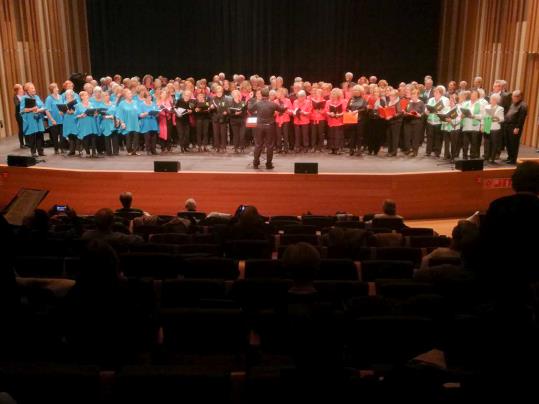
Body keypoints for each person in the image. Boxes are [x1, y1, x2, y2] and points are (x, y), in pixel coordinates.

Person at [247, 87, 287, 169]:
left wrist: (250, 99)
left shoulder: (258, 104)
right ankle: (268, 164)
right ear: (268, 95)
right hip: (269, 126)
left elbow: (250, 109)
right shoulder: (272, 104)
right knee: (270, 145)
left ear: (261, 95)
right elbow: (282, 110)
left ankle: (256, 163)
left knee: (258, 145)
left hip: (259, 126)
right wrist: (282, 103)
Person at [20, 82, 47, 157]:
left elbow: (43, 106)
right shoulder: (24, 98)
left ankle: (40, 151)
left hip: (38, 118)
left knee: (40, 135)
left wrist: (39, 110)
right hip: (31, 119)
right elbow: (22, 110)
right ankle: (33, 152)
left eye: (34, 88)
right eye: (32, 88)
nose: (34, 89)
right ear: (27, 90)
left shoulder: (37, 97)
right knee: (32, 136)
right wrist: (32, 109)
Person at [503, 90, 528, 165]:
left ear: (519, 97)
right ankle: (509, 157)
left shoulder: (523, 105)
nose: (512, 97)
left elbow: (521, 118)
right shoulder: (513, 103)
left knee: (513, 143)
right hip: (507, 125)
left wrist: (517, 128)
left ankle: (513, 159)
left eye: (513, 96)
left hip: (514, 127)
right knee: (508, 143)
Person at [425, 85, 449, 157]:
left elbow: (446, 110)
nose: (435, 93)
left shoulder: (445, 100)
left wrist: (439, 111)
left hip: (438, 121)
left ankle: (437, 152)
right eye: (434, 92)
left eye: (437, 92)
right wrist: (426, 111)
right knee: (429, 137)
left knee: (438, 137)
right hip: (430, 121)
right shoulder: (431, 99)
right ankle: (428, 151)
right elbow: (427, 108)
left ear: (441, 93)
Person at [116, 89, 141, 156]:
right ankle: (129, 150)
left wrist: (141, 116)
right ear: (125, 95)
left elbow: (138, 112)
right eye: (129, 93)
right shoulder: (122, 103)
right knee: (128, 137)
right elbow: (119, 114)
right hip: (127, 122)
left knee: (136, 137)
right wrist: (122, 123)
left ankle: (135, 151)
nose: (131, 94)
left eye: (131, 93)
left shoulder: (135, 102)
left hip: (135, 123)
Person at [481, 93, 504, 163]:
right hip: (487, 126)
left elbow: (502, 119)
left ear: (497, 100)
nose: (492, 100)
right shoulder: (486, 107)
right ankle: (486, 156)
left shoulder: (500, 108)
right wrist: (482, 125)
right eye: (491, 99)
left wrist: (495, 118)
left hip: (495, 128)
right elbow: (483, 117)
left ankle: (492, 158)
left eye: (494, 99)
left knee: (494, 143)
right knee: (486, 143)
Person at [74, 91, 98, 157]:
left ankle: (94, 152)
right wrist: (81, 115)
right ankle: (87, 152)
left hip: (92, 123)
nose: (87, 96)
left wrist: (96, 114)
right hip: (83, 123)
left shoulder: (92, 104)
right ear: (81, 97)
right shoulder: (78, 105)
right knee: (86, 138)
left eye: (87, 95)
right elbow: (75, 116)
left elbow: (95, 113)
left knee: (93, 138)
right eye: (85, 95)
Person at [461, 89, 483, 159]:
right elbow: (461, 112)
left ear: (478, 96)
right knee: (465, 144)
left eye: (475, 95)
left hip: (475, 127)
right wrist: (462, 115)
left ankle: (472, 158)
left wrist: (474, 116)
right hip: (466, 126)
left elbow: (482, 116)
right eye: (472, 94)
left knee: (474, 144)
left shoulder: (480, 104)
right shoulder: (465, 103)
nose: (473, 96)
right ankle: (464, 157)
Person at [402, 88, 425, 156]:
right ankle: (408, 149)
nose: (413, 97)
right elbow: (406, 110)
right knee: (407, 136)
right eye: (412, 95)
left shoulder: (421, 103)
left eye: (414, 95)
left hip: (417, 122)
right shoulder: (409, 102)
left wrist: (419, 115)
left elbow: (423, 113)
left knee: (415, 137)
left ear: (418, 95)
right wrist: (405, 113)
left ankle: (415, 151)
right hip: (408, 121)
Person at [346, 85, 368, 156]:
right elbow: (347, 108)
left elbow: (365, 109)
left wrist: (357, 111)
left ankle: (359, 149)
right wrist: (349, 110)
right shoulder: (351, 99)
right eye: (354, 90)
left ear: (360, 92)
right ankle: (351, 149)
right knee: (352, 135)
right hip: (352, 119)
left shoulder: (363, 100)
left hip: (360, 120)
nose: (355, 92)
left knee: (359, 135)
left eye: (357, 90)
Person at [325, 88, 346, 155]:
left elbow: (345, 111)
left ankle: (338, 149)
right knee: (331, 135)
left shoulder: (342, 101)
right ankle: (332, 149)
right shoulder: (328, 102)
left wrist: (339, 114)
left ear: (338, 95)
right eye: (332, 94)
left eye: (334, 94)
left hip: (339, 120)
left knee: (338, 135)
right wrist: (329, 113)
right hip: (331, 120)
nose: (333, 95)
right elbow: (326, 110)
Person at [210, 85, 230, 152]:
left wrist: (226, 112)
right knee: (216, 133)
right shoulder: (213, 99)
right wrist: (211, 108)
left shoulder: (225, 99)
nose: (219, 93)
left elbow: (228, 109)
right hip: (215, 118)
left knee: (223, 133)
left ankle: (223, 147)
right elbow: (209, 109)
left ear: (222, 92)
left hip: (223, 118)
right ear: (215, 92)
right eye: (218, 92)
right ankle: (217, 147)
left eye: (220, 92)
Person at [138, 90, 159, 155]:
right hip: (146, 123)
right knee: (147, 138)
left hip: (153, 122)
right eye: (148, 97)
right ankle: (148, 150)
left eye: (150, 97)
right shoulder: (141, 105)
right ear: (145, 98)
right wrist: (147, 113)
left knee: (154, 138)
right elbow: (140, 115)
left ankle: (153, 150)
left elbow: (157, 112)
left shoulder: (153, 104)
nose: (149, 98)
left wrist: (156, 113)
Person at [384, 89, 404, 157]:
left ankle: (394, 152)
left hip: (396, 122)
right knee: (389, 136)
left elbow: (399, 113)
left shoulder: (398, 102)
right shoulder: (389, 102)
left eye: (392, 95)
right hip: (389, 121)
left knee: (395, 137)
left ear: (395, 96)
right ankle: (389, 151)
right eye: (390, 95)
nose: (390, 96)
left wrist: (391, 116)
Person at [274, 88, 293, 153]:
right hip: (278, 120)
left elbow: (291, 111)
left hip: (285, 120)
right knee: (278, 135)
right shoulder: (275, 101)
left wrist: (286, 111)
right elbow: (273, 112)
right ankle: (279, 148)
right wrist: (277, 112)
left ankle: (286, 148)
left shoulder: (288, 100)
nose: (280, 95)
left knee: (285, 134)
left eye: (281, 94)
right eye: (279, 94)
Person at [100, 91, 118, 156]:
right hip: (106, 123)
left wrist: (115, 117)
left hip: (113, 122)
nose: (108, 96)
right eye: (106, 96)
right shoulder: (101, 105)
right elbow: (101, 115)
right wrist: (109, 116)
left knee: (115, 137)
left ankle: (116, 152)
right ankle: (109, 152)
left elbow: (117, 112)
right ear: (103, 97)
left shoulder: (113, 104)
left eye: (108, 95)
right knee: (107, 137)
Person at [309, 88, 327, 152]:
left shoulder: (324, 101)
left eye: (319, 93)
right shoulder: (312, 100)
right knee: (313, 133)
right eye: (317, 93)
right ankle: (313, 147)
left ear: (321, 94)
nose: (317, 94)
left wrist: (321, 111)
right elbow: (309, 109)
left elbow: (326, 110)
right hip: (313, 118)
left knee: (321, 133)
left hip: (321, 118)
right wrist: (313, 110)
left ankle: (320, 147)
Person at [13, 84, 26, 148]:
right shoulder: (16, 97)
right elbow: (17, 105)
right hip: (19, 115)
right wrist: (22, 101)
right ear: (18, 90)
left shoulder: (24, 96)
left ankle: (28, 142)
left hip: (25, 114)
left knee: (26, 128)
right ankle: (22, 144)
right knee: (21, 128)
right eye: (21, 89)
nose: (22, 90)